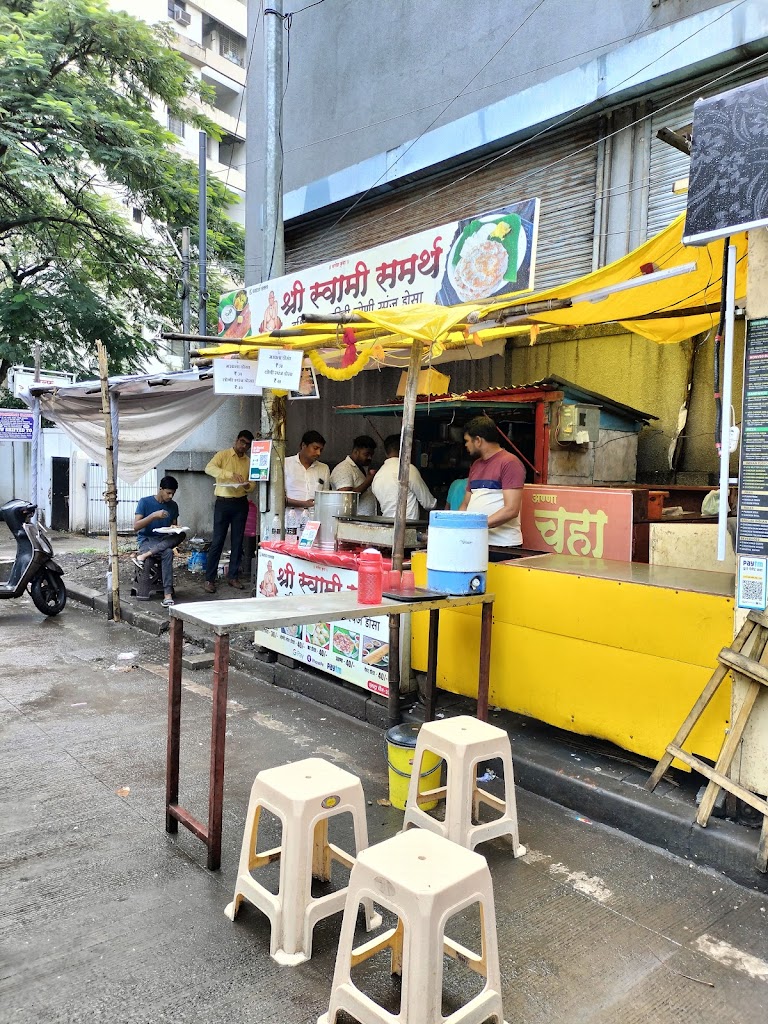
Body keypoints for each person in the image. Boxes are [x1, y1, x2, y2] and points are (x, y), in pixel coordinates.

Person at [460, 415, 525, 558]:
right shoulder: (476, 465)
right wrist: (458, 527)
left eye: (467, 441)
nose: (465, 445)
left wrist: (478, 525)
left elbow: (511, 509)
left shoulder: (510, 463)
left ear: (478, 440)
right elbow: (465, 504)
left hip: (503, 546)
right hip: (476, 543)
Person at [203, 430, 255, 593]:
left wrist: (247, 485)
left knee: (238, 541)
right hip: (223, 502)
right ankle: (209, 579)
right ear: (236, 440)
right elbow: (209, 468)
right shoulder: (223, 455)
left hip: (241, 502)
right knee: (218, 540)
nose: (243, 446)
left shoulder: (248, 461)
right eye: (242, 442)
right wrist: (229, 475)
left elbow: (252, 483)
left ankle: (233, 576)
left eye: (247, 444)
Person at [132, 476, 185, 608]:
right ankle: (168, 595)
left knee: (182, 534)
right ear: (160, 489)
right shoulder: (145, 502)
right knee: (167, 552)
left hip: (164, 539)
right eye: (168, 493)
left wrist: (176, 528)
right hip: (147, 539)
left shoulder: (173, 506)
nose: (171, 496)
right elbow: (136, 526)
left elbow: (173, 528)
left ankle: (143, 556)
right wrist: (153, 516)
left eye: (173, 493)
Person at [371, 434, 437, 520]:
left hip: (386, 526)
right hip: (407, 527)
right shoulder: (408, 469)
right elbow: (428, 503)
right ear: (406, 449)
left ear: (385, 453)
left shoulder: (377, 476)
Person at [330, 435, 378, 516]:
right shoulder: (344, 468)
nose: (370, 458)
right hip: (352, 522)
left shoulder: (361, 467)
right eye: (366, 454)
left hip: (364, 521)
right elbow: (346, 498)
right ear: (356, 452)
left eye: (371, 455)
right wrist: (368, 481)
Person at [284, 430, 330, 508]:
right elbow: (277, 498)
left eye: (321, 450)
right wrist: (303, 504)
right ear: (303, 445)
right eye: (315, 448)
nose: (318, 453)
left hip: (314, 518)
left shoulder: (324, 468)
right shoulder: (285, 463)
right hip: (290, 517)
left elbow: (325, 497)